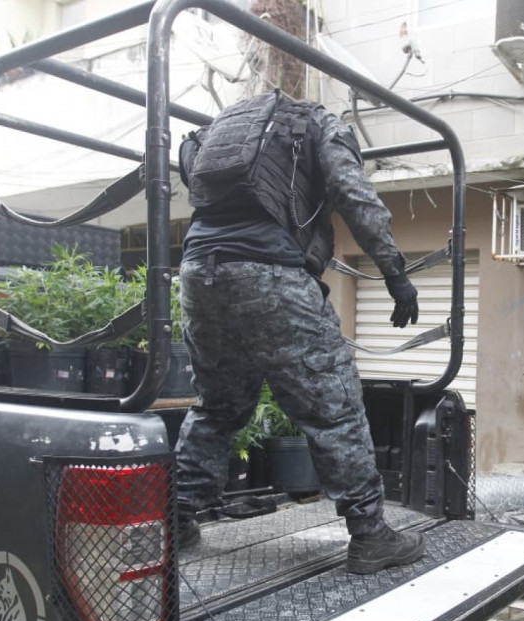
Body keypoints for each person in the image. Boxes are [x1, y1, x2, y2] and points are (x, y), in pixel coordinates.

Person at [172, 90, 424, 575]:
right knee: (334, 406)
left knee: (216, 408)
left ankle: (176, 518)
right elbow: (354, 195)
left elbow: (188, 168)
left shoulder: (223, 128)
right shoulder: (318, 122)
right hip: (269, 272)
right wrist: (395, 272)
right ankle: (371, 535)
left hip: (198, 272)